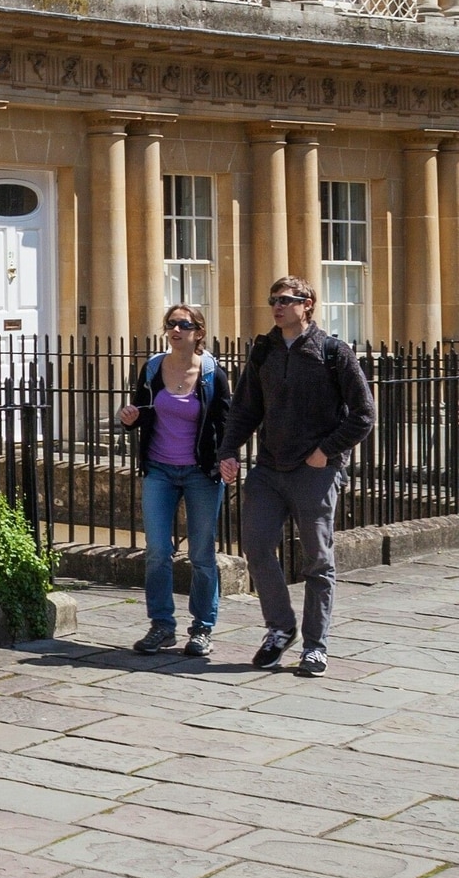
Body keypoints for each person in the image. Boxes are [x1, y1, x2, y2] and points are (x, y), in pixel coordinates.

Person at [219, 272, 375, 676]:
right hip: (269, 468)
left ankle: (315, 646)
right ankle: (280, 628)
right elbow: (245, 409)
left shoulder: (333, 351)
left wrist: (326, 451)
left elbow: (364, 415)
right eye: (274, 299)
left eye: (287, 299)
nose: (277, 305)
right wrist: (228, 451)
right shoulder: (263, 351)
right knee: (255, 547)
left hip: (315, 471)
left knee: (317, 561)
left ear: (307, 304)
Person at [119, 304, 231, 658]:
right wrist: (128, 418)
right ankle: (162, 626)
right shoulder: (153, 368)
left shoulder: (213, 373)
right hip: (159, 470)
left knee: (201, 554)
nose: (175, 330)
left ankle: (202, 628)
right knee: (157, 552)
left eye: (184, 324)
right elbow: (138, 412)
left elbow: (226, 421)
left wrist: (230, 458)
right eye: (170, 324)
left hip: (201, 473)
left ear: (198, 332)